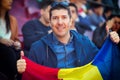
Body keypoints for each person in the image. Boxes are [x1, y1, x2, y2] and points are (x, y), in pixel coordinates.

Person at [17, 1, 99, 73]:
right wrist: (23, 71)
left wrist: (111, 41)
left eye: (64, 17)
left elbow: (102, 61)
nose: (60, 22)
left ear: (70, 21)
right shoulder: (37, 48)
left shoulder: (85, 42)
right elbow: (31, 75)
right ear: (50, 22)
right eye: (55, 18)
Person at [0, 0, 21, 80]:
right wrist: (1, 40)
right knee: (9, 53)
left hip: (10, 49)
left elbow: (16, 39)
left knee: (20, 54)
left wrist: (17, 44)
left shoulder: (12, 20)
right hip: (5, 52)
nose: (10, 1)